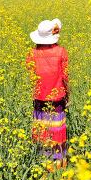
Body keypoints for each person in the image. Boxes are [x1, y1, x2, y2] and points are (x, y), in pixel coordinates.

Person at [26, 18, 69, 166]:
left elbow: (32, 78)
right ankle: (59, 166)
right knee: (57, 131)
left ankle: (42, 165)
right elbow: (65, 77)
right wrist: (68, 95)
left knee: (42, 131)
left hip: (39, 99)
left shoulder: (31, 54)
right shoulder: (61, 51)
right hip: (57, 100)